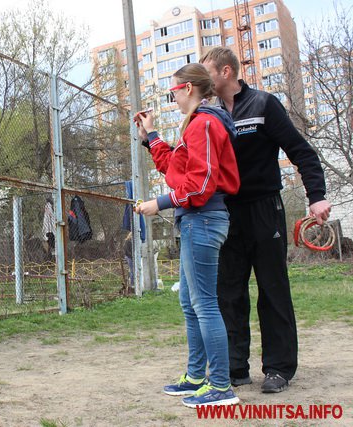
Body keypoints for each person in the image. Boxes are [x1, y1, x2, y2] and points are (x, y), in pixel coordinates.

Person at [200, 47, 332, 393]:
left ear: (226, 72)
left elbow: (301, 151)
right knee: (229, 292)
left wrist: (315, 196)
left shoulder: (262, 104)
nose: (204, 80)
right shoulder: (208, 114)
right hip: (226, 213)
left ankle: (278, 368)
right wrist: (148, 140)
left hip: (264, 209)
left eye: (207, 72)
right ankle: (234, 367)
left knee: (272, 290)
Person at [134, 63, 241, 407]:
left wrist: (160, 203)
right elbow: (176, 169)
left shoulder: (205, 123)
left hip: (203, 219)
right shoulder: (195, 125)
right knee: (190, 303)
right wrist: (150, 136)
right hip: (195, 219)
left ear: (189, 89)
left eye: (173, 92)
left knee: (205, 304)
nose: (172, 98)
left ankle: (221, 386)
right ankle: (196, 376)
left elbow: (202, 184)